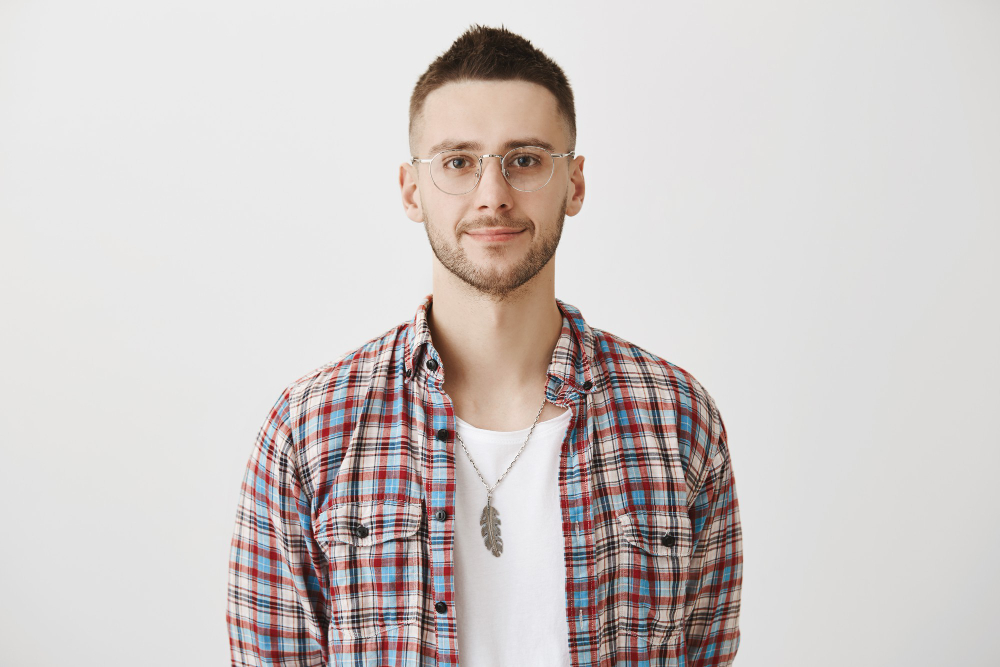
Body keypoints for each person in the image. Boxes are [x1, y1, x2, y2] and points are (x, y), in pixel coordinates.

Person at [227, 23, 743, 667]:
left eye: (525, 159)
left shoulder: (677, 419)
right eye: (458, 162)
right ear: (412, 189)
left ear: (574, 184)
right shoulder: (309, 430)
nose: (492, 195)